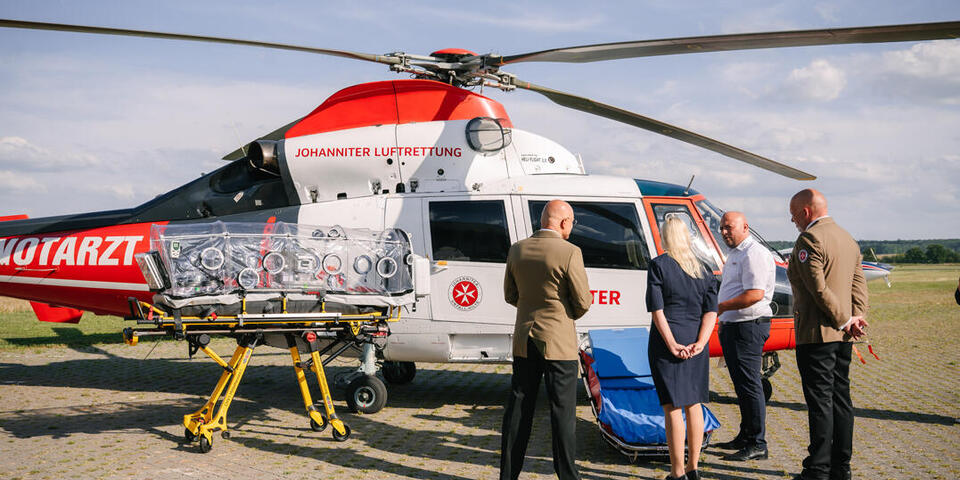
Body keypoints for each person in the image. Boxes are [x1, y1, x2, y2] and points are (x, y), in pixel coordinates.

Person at [500, 199, 592, 480]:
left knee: (519, 408)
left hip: (524, 339)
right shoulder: (570, 252)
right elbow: (583, 301)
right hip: (558, 342)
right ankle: (567, 475)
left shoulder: (518, 249)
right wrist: (565, 314)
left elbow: (510, 295)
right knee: (562, 413)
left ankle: (508, 475)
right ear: (564, 222)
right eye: (572, 222)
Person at [787, 189, 868, 480]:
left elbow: (817, 289)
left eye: (794, 214)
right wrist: (857, 317)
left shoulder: (809, 239)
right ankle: (841, 467)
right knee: (841, 400)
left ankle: (819, 469)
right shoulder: (847, 238)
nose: (793, 220)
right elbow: (859, 284)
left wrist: (845, 320)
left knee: (820, 403)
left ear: (806, 212)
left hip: (817, 334)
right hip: (843, 337)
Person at [646, 216, 719, 480]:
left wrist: (672, 343)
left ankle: (676, 472)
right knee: (694, 404)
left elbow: (658, 311)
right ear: (687, 236)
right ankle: (693, 468)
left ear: (666, 237)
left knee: (673, 407)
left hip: (667, 342)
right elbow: (711, 312)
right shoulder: (705, 269)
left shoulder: (658, 266)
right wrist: (701, 342)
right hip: (697, 340)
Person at [714, 211, 776, 461]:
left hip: (748, 326)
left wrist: (720, 307)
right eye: (722, 228)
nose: (724, 232)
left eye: (729, 227)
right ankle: (745, 435)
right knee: (741, 386)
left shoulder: (755, 253)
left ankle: (758, 442)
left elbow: (755, 294)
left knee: (750, 386)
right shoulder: (737, 253)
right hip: (734, 326)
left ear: (745, 227)